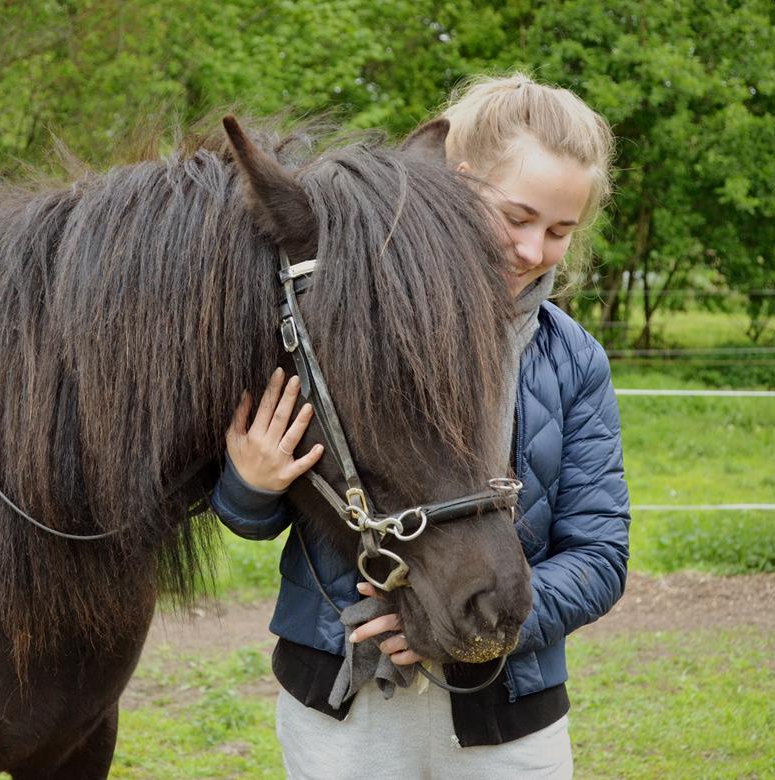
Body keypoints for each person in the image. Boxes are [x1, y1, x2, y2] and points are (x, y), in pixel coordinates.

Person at [210, 73, 629, 778]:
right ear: (457, 188)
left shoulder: (571, 359)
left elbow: (600, 554)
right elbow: (259, 520)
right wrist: (248, 484)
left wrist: (468, 617)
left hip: (508, 714)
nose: (534, 250)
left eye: (561, 231)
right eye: (518, 217)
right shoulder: (358, 323)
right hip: (346, 706)